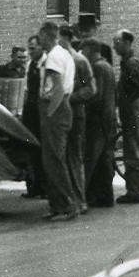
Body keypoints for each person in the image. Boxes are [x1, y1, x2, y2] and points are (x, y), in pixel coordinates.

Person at [36, 21, 79, 221]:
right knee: (52, 160)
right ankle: (57, 205)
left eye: (40, 36)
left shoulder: (53, 56)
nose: (38, 40)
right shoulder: (64, 54)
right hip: (62, 108)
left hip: (55, 109)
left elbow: (58, 89)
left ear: (47, 35)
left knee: (53, 161)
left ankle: (68, 204)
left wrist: (49, 114)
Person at [59, 25, 95, 215]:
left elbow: (91, 88)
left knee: (74, 157)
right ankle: (68, 199)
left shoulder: (80, 61)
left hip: (75, 113)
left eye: (60, 40)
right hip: (60, 114)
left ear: (67, 40)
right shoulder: (57, 60)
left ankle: (80, 201)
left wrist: (70, 98)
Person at [114, 29, 139, 204]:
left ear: (127, 43)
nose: (115, 46)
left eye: (117, 42)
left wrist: (128, 100)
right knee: (134, 147)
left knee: (133, 150)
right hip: (134, 108)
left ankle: (136, 192)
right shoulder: (128, 62)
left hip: (133, 110)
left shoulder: (130, 63)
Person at [80, 38, 117, 209]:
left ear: (90, 50)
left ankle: (84, 197)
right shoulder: (107, 66)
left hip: (97, 119)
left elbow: (96, 95)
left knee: (91, 158)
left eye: (84, 50)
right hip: (108, 118)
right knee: (104, 159)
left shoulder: (96, 67)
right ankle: (105, 197)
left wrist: (84, 106)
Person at [20, 35, 45, 199]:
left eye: (33, 48)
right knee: (31, 148)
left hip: (41, 109)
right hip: (30, 109)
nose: (31, 52)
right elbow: (27, 89)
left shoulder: (46, 64)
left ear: (41, 48)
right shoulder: (30, 64)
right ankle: (33, 187)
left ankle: (45, 187)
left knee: (43, 149)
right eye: (29, 48)